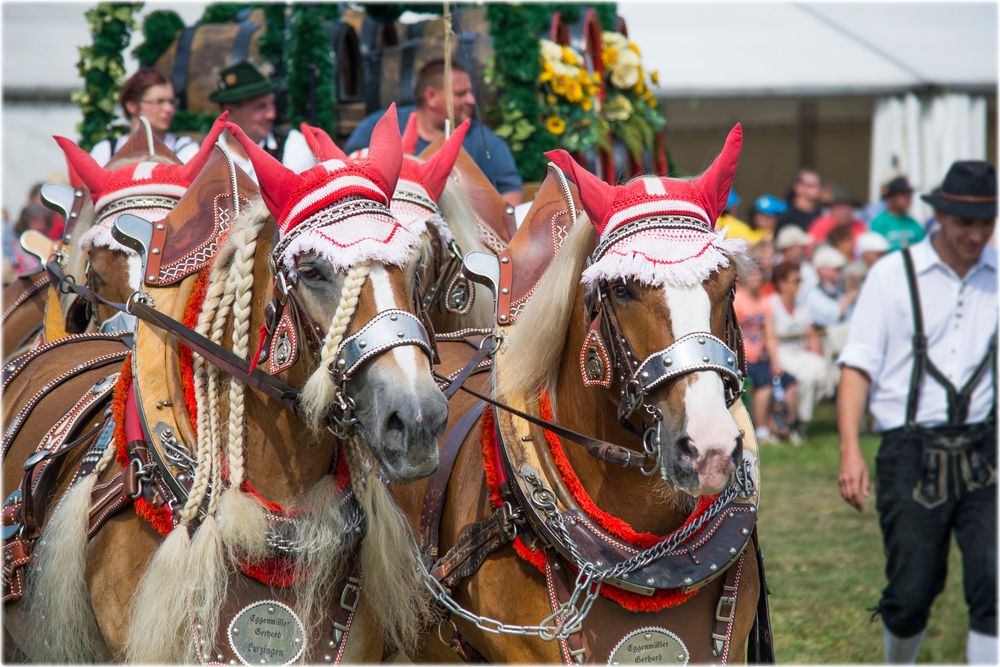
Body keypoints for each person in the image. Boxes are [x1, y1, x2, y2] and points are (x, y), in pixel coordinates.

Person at [837, 160, 997, 665]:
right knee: (911, 592)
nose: (976, 235)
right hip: (909, 450)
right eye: (966, 224)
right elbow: (857, 368)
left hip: (985, 450)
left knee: (993, 587)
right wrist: (850, 452)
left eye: (986, 223)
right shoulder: (891, 275)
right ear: (942, 217)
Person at [345, 59, 524, 206]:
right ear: (430, 96)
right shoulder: (379, 127)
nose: (471, 100)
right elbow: (348, 176)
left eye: (471, 92)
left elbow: (512, 196)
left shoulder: (488, 142)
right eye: (461, 94)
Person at [209, 61, 314, 181]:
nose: (272, 115)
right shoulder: (198, 155)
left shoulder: (294, 146)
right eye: (261, 106)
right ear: (229, 111)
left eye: (272, 104)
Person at [735, 263, 798, 443]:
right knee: (765, 383)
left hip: (762, 357)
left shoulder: (765, 300)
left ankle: (786, 425)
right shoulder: (737, 300)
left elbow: (770, 334)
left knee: (789, 382)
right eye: (751, 274)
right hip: (743, 358)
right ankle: (762, 429)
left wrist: (775, 361)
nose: (755, 278)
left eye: (758, 274)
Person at [90, 69, 198, 165]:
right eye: (159, 101)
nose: (169, 109)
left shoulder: (185, 149)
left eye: (171, 102)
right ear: (132, 106)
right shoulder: (105, 151)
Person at [769, 261, 827, 440]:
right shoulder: (772, 304)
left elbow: (812, 336)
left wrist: (818, 356)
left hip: (800, 354)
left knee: (824, 371)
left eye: (800, 281)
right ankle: (799, 422)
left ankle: (800, 416)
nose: (799, 285)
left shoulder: (803, 306)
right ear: (781, 283)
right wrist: (775, 362)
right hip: (782, 354)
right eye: (795, 281)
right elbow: (770, 337)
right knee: (807, 378)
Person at [870, 176, 925, 252]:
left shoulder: (913, 223)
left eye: (909, 194)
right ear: (892, 198)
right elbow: (874, 251)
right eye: (904, 194)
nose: (909, 198)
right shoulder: (879, 223)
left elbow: (923, 247)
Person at [775, 225, 819, 296]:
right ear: (789, 249)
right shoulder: (773, 268)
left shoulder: (808, 270)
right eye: (801, 247)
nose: (803, 250)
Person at [776, 167, 821, 234]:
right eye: (811, 186)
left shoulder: (823, 213)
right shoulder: (786, 217)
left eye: (818, 185)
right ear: (798, 188)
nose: (817, 189)